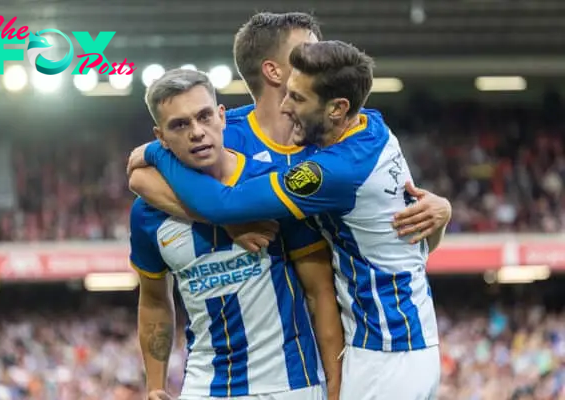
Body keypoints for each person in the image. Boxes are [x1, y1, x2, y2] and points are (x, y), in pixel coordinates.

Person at [132, 41, 445, 400]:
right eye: (180, 125)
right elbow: (412, 243)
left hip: (388, 349)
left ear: (337, 109)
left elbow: (223, 206)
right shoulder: (370, 125)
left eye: (297, 99)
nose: (284, 107)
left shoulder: (330, 171)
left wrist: (155, 154)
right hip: (390, 340)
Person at [128, 12, 451, 248]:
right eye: (307, 52)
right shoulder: (221, 132)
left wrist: (441, 214)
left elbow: (406, 236)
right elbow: (139, 178)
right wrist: (224, 221)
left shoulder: (341, 134)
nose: (321, 57)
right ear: (273, 71)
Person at [130, 68, 343, 400]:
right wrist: (155, 385)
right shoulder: (147, 213)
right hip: (204, 388)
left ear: (222, 117)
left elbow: (320, 292)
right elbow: (155, 300)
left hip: (290, 385)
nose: (197, 132)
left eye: (203, 117)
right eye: (180, 124)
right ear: (160, 138)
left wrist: (335, 387)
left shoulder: (270, 185)